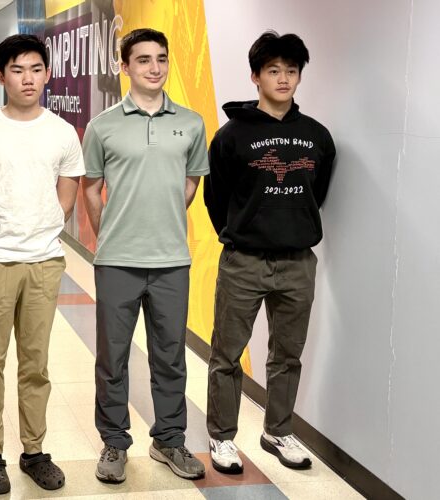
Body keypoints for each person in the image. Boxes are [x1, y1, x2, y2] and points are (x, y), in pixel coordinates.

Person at [204, 31, 336, 474]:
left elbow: (317, 193)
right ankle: (222, 437)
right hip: (244, 261)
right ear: (255, 77)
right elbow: (216, 198)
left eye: (291, 71)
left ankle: (277, 430)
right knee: (227, 354)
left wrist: (289, 227)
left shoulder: (317, 136)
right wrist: (241, 234)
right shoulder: (231, 137)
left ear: (300, 77)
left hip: (298, 262)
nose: (283, 79)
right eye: (273, 70)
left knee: (287, 354)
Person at [0, 34, 84, 495]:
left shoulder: (63, 132)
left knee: (36, 364)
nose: (27, 79)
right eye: (17, 70)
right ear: (0, 76)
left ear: (47, 73)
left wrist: (42, 229)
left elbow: (67, 195)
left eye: (35, 69)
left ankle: (34, 452)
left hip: (44, 262)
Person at [82, 28, 208, 484]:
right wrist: (113, 233)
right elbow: (91, 188)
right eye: (143, 60)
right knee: (112, 358)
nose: (154, 68)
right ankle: (114, 443)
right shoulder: (103, 125)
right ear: (125, 66)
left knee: (170, 357)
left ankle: (169, 439)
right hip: (117, 261)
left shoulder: (191, 123)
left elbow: (191, 182)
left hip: (172, 260)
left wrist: (162, 220)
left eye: (161, 59)